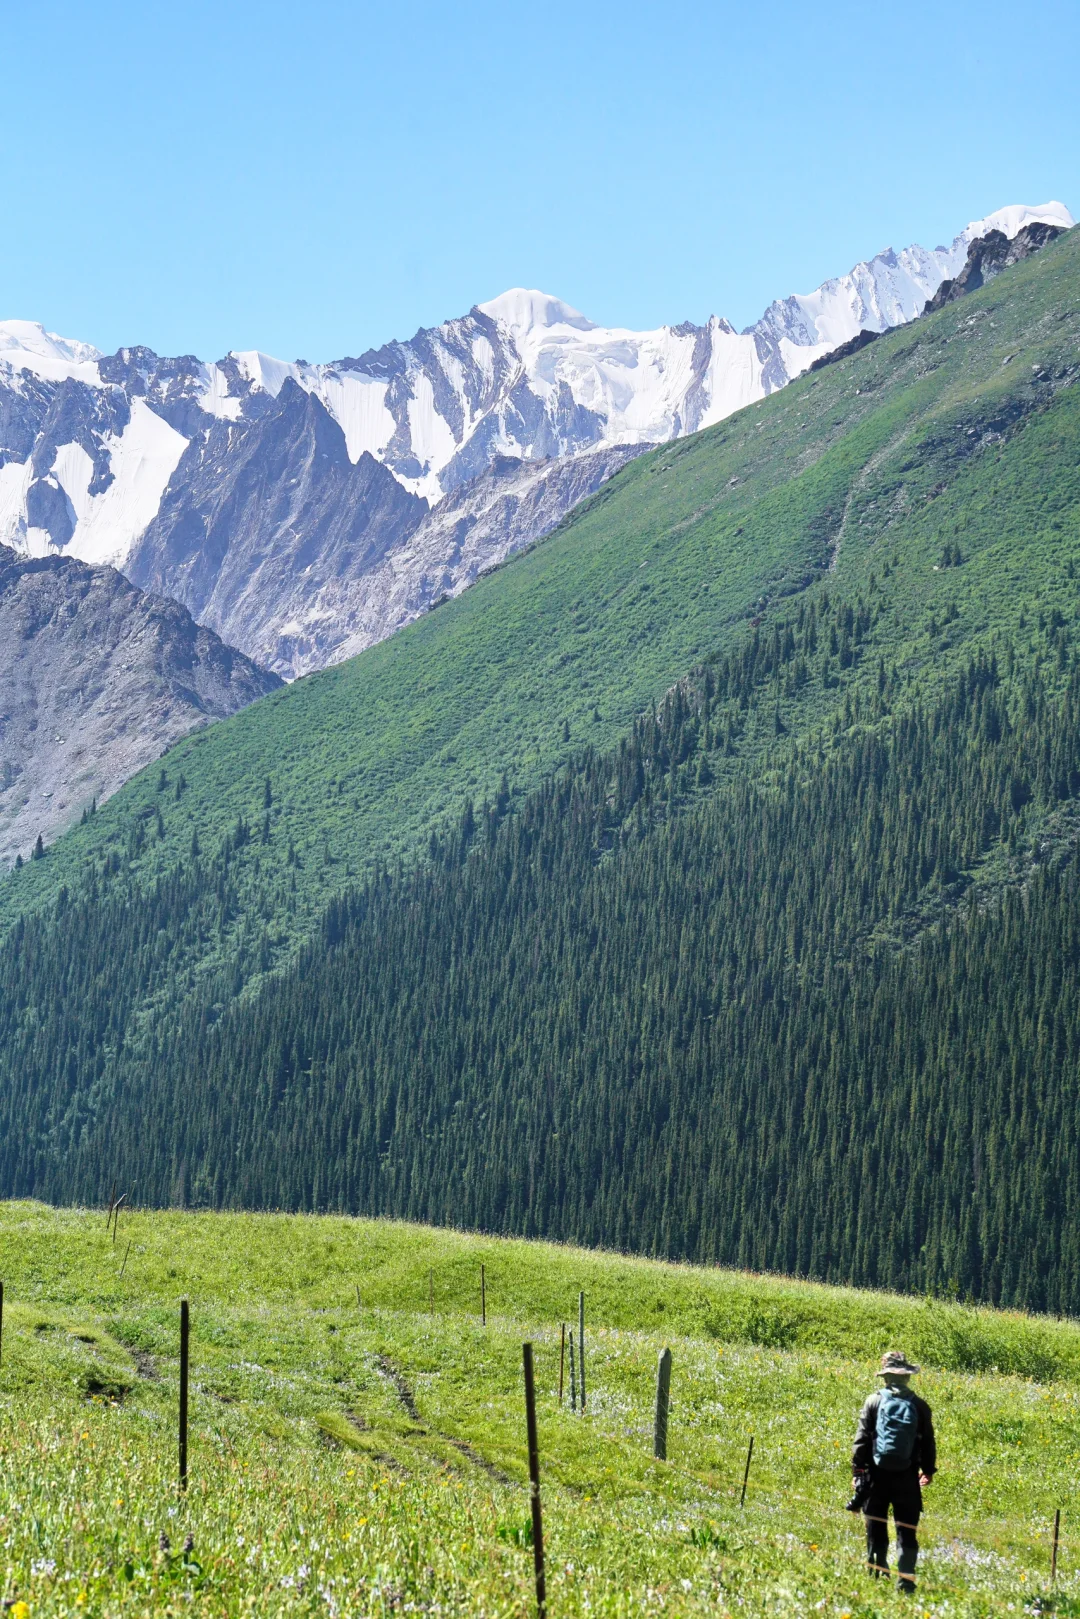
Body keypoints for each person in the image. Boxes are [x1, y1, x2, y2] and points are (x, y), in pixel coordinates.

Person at [852, 1350, 936, 1594]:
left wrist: (858, 1473)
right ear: (907, 1376)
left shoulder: (873, 1401)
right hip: (907, 1477)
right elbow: (928, 1443)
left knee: (876, 1526)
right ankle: (906, 1583)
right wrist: (928, 1470)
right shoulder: (920, 1406)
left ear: (886, 1376)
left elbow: (861, 1441)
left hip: (876, 1477)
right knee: (906, 1531)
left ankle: (876, 1576)